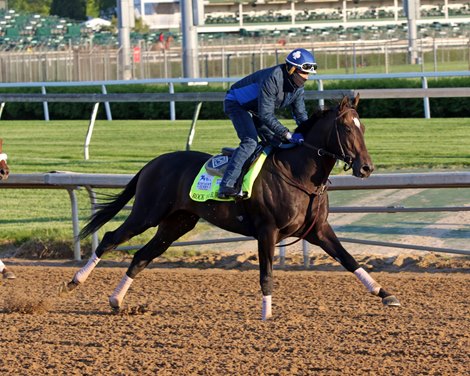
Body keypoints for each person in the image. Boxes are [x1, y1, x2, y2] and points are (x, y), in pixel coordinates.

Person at [218, 48, 318, 199]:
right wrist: (288, 133)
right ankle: (227, 184)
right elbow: (266, 115)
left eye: (308, 73)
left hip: (257, 108)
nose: (306, 77)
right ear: (291, 69)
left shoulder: (298, 87)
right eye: (303, 73)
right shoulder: (272, 78)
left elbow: (300, 114)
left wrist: (309, 132)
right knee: (250, 142)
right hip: (237, 104)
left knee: (277, 141)